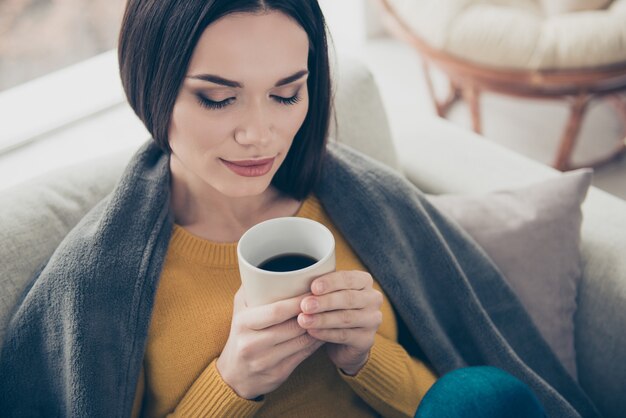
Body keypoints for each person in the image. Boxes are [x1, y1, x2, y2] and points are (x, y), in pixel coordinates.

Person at [0, 1, 599, 417]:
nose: (260, 134)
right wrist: (233, 382)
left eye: (287, 94)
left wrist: (367, 357)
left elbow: (443, 397)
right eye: (218, 98)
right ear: (150, 85)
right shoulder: (98, 278)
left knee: (483, 397)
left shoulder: (362, 202)